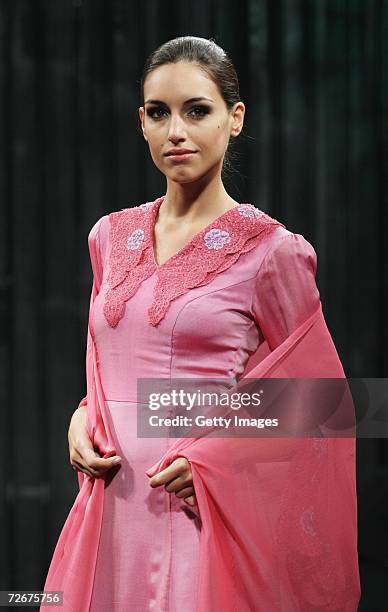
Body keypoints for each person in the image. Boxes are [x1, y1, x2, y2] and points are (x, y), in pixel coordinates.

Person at [41, 36, 361, 611]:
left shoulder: (273, 252)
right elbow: (110, 361)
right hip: (110, 513)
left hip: (201, 522)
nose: (176, 131)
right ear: (141, 122)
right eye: (158, 113)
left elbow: (324, 406)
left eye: (197, 110)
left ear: (235, 119)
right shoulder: (109, 238)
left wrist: (220, 457)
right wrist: (83, 413)